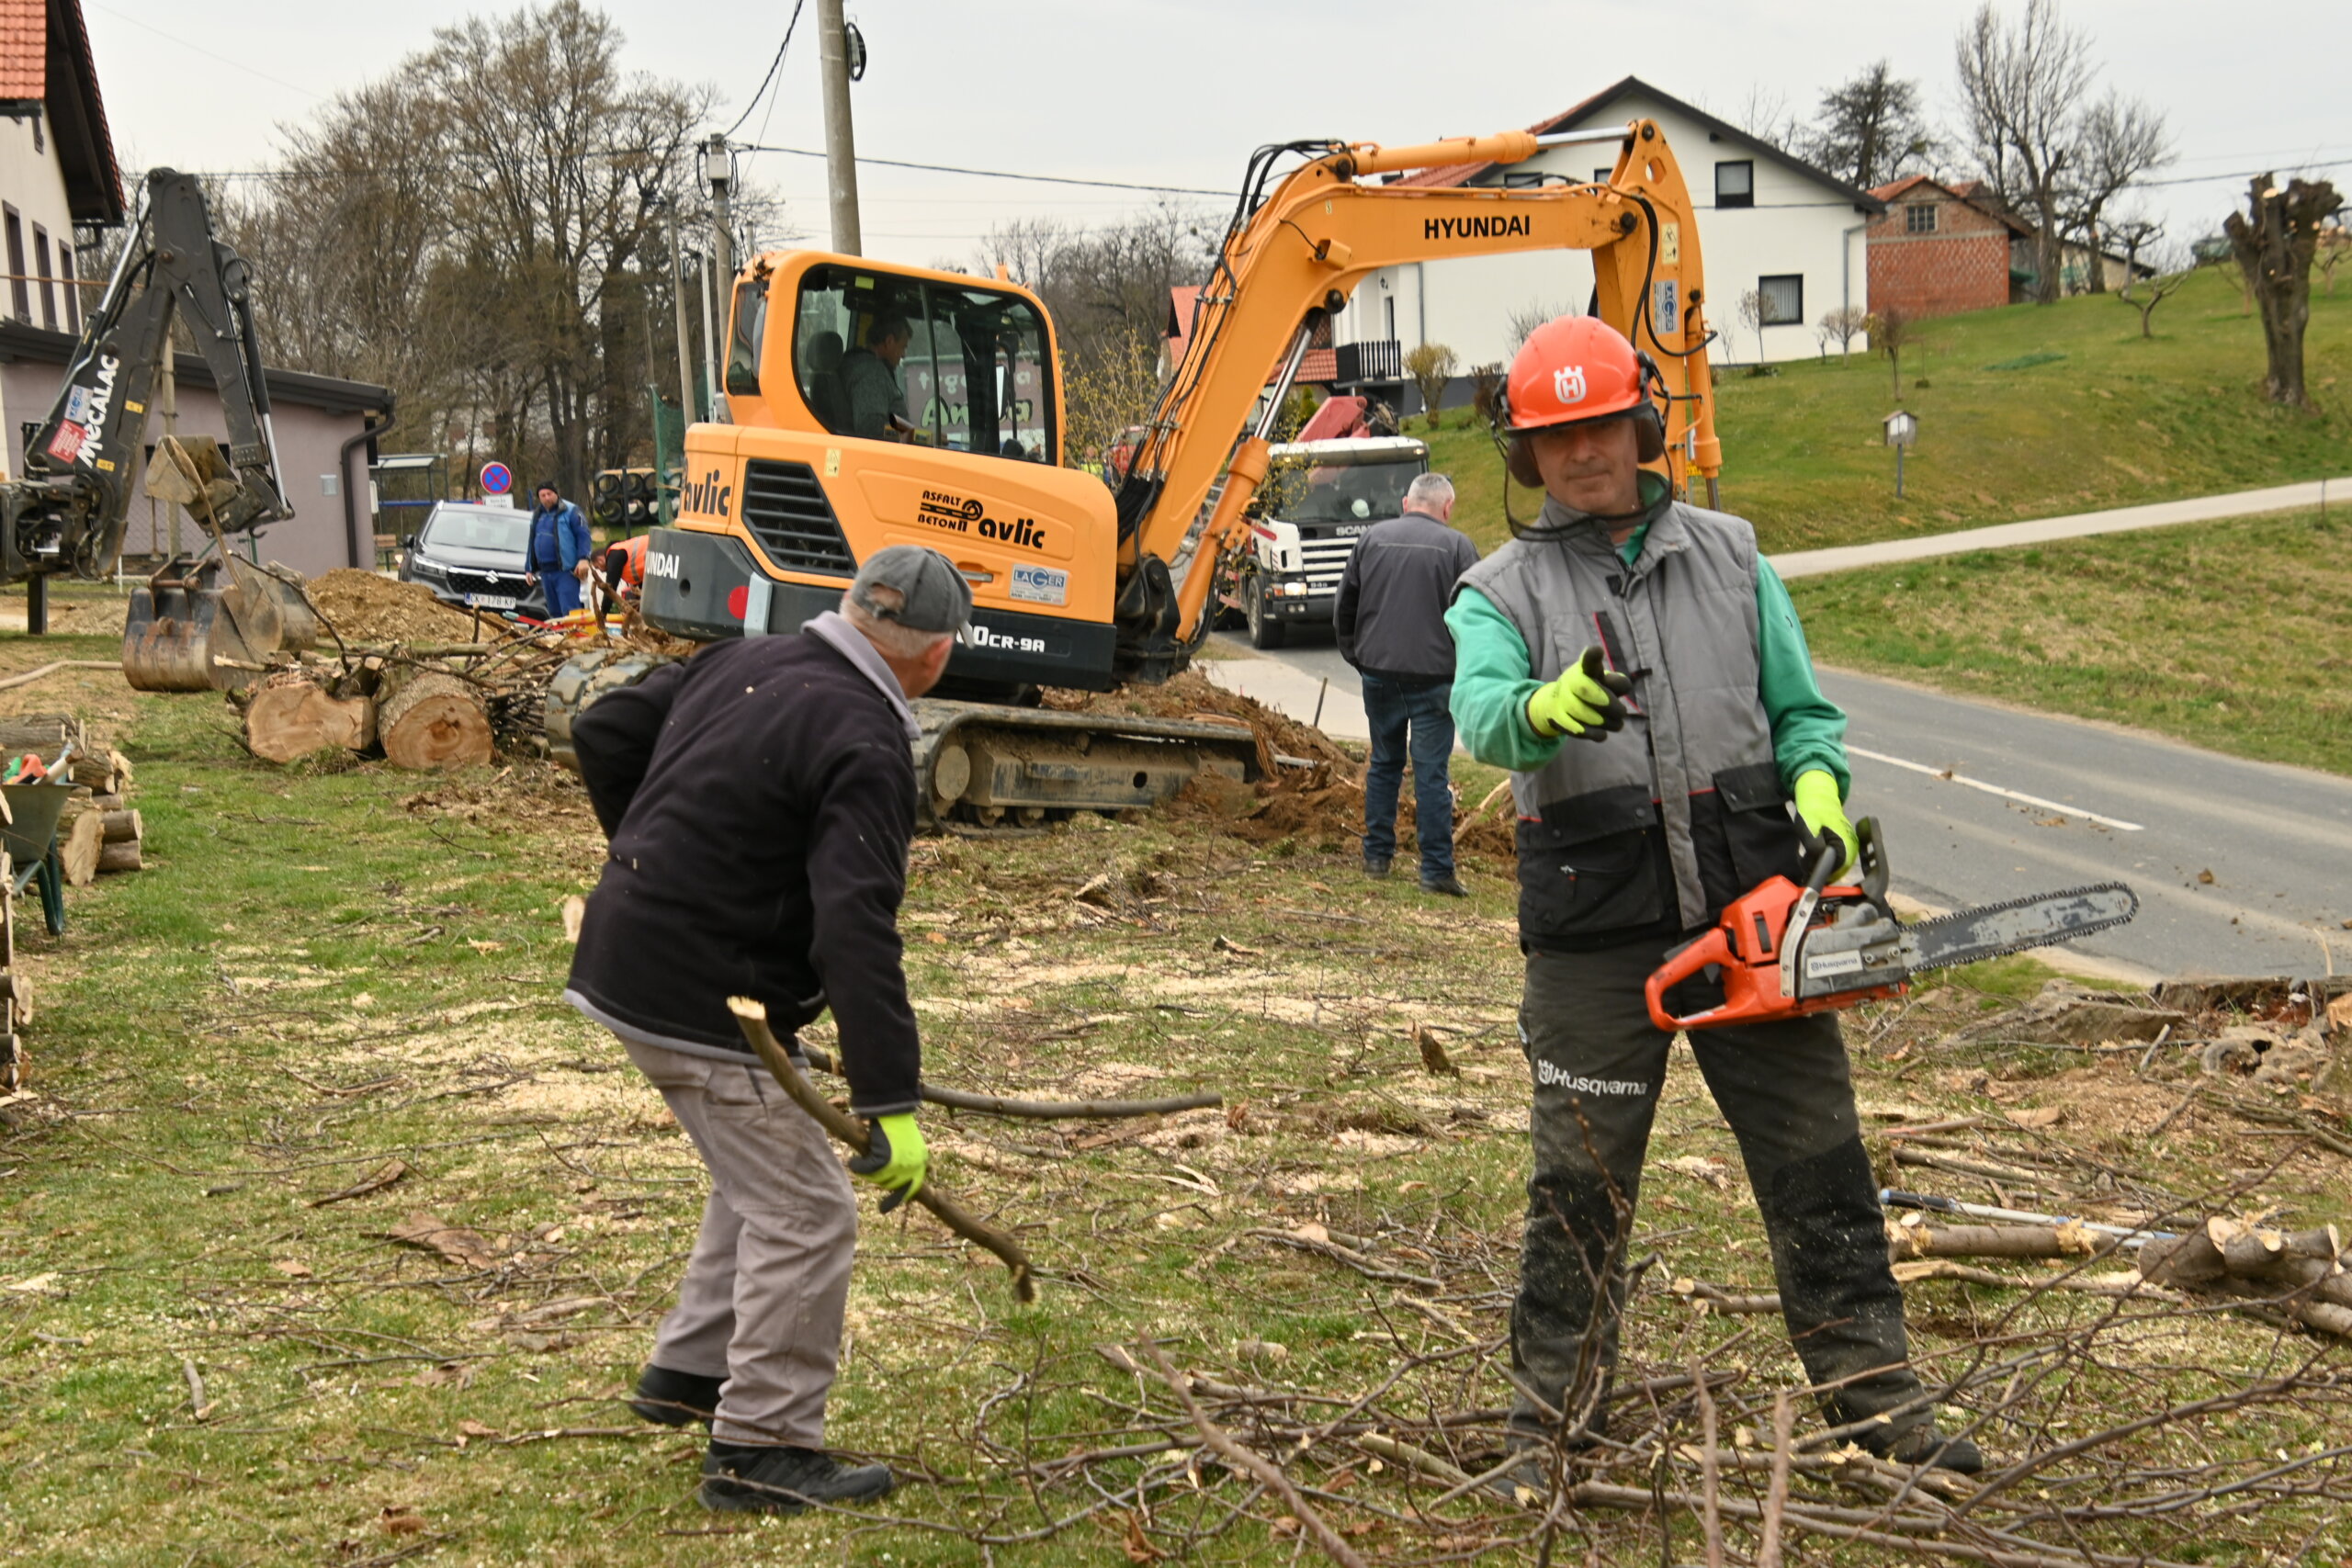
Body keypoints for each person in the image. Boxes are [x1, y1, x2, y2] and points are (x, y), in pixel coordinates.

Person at [1445, 316, 1982, 1490]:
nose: (1585, 454)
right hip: (1594, 936)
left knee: (1819, 1167)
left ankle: (1878, 1410)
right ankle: (1548, 1433)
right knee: (1577, 1187)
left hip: (1755, 912)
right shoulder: (1497, 590)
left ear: (1640, 423)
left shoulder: (1733, 556)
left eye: (1600, 427)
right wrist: (1549, 709)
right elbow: (1481, 716)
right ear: (1527, 453)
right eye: (1557, 436)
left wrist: (1822, 801)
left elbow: (1802, 716)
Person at [563, 545, 973, 1515]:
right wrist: (890, 1104)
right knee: (809, 1211)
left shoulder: (746, 657)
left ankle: (690, 1372)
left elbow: (605, 726)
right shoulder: (869, 739)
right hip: (705, 999)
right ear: (938, 655)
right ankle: (764, 1446)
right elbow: (854, 930)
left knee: (763, 1173)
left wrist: (650, 862)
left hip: (633, 962)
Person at [1333, 471, 1479, 896]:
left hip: (1379, 672)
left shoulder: (1372, 540)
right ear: (1447, 508)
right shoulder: (1458, 546)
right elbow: (1476, 616)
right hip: (1435, 679)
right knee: (1431, 773)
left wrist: (1358, 657)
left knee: (1384, 762)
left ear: (1405, 502)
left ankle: (1377, 856)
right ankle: (1435, 870)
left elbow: (1345, 604)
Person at [841, 316, 918, 441]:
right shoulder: (871, 372)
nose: (903, 355)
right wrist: (918, 436)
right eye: (903, 347)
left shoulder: (856, 364)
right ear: (889, 341)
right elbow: (871, 427)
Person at [526, 483, 593, 617]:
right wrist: (529, 568)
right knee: (554, 613)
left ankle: (575, 638)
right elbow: (532, 540)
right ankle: (560, 637)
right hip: (545, 572)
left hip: (565, 571)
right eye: (543, 496)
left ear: (556, 494)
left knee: (570, 610)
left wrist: (584, 558)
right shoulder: (537, 514)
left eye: (549, 494)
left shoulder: (571, 511)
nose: (546, 498)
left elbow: (583, 535)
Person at [597, 533, 648, 629]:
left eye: (597, 567)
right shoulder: (632, 558)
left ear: (601, 560)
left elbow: (610, 588)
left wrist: (603, 614)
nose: (600, 570)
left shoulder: (615, 553)